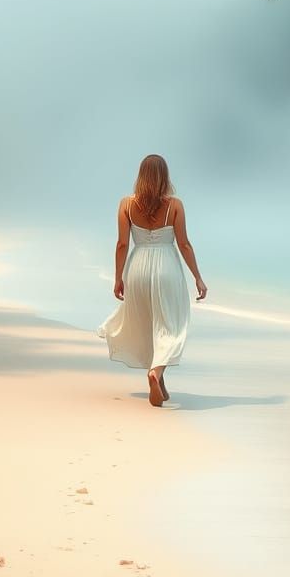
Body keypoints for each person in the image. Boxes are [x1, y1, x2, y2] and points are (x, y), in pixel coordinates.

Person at [97, 154, 207, 407]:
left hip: (137, 268)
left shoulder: (126, 204)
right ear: (165, 176)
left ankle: (159, 379)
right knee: (170, 325)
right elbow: (184, 244)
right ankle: (155, 373)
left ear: (141, 175)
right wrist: (198, 279)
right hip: (167, 266)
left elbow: (122, 243)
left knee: (148, 323)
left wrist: (117, 278)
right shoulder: (175, 205)